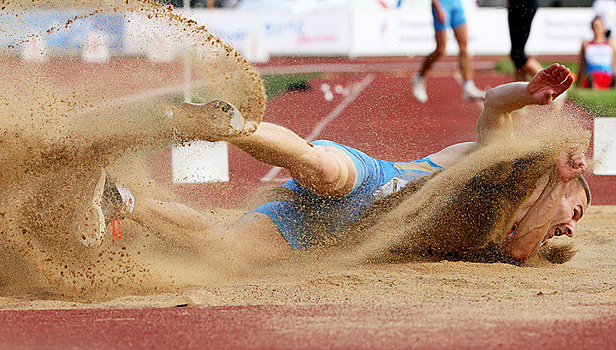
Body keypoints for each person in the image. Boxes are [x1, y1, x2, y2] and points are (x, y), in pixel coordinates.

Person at [83, 64, 588, 266]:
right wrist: (530, 93)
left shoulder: (506, 240)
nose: (570, 225)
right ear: (564, 183)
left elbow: (527, 247)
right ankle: (230, 126)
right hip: (372, 181)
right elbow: (496, 108)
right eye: (578, 211)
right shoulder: (499, 166)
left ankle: (120, 200)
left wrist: (556, 217)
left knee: (224, 249)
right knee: (318, 167)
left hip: (334, 232)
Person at [411, 0, 486, 103]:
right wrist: (438, 7)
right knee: (441, 49)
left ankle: (469, 86)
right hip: (442, 4)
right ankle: (419, 77)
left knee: (464, 46)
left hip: (456, 5)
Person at [507, 0, 543, 81]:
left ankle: (550, 83)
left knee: (518, 55)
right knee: (517, 57)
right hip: (514, 4)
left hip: (525, 4)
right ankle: (520, 91)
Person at [577, 16, 616, 90]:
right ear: (592, 28)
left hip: (607, 76)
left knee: (611, 80)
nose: (597, 29)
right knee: (590, 80)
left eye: (599, 26)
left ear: (603, 28)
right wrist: (578, 83)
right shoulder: (586, 44)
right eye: (595, 26)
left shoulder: (610, 44)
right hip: (592, 76)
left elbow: (613, 64)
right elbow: (582, 65)